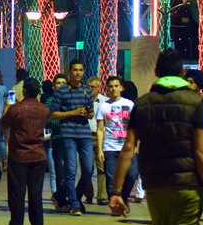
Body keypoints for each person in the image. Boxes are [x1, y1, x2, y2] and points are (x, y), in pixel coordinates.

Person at [109, 49, 203, 225]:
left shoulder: (143, 103)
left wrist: (116, 191)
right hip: (188, 187)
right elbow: (200, 151)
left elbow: (128, 148)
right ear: (182, 72)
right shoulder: (195, 102)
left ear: (156, 71)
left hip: (156, 185)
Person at [0, 77, 50, 225]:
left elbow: (4, 122)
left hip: (19, 155)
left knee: (17, 193)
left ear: (24, 91)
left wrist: (9, 104)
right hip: (38, 155)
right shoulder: (44, 109)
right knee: (36, 194)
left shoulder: (16, 109)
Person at [50, 60, 94, 215]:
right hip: (68, 134)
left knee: (88, 170)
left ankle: (71, 196)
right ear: (70, 71)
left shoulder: (87, 90)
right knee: (71, 170)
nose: (78, 73)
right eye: (75, 70)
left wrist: (88, 113)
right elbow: (53, 113)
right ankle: (75, 204)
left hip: (84, 133)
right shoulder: (61, 91)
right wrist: (72, 113)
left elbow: (91, 112)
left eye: (80, 70)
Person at [96, 76, 139, 211]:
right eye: (110, 86)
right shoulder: (103, 106)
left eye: (116, 86)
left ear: (121, 88)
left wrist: (136, 145)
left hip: (128, 147)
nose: (113, 89)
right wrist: (100, 150)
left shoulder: (130, 104)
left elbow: (136, 127)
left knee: (132, 174)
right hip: (110, 147)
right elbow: (100, 129)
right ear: (107, 89)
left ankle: (123, 198)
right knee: (111, 178)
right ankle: (114, 205)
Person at [81, 75, 108, 204]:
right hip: (85, 136)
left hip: (100, 137)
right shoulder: (82, 100)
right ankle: (88, 195)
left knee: (101, 167)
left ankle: (102, 196)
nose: (90, 89)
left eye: (93, 87)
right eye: (89, 87)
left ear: (99, 88)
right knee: (87, 168)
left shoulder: (105, 101)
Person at [45, 74, 69, 206]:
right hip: (53, 140)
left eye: (63, 83)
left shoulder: (71, 100)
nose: (61, 86)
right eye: (58, 83)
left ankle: (62, 195)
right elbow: (49, 121)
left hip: (70, 140)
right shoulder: (49, 101)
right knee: (55, 171)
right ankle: (57, 196)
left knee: (69, 171)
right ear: (54, 87)